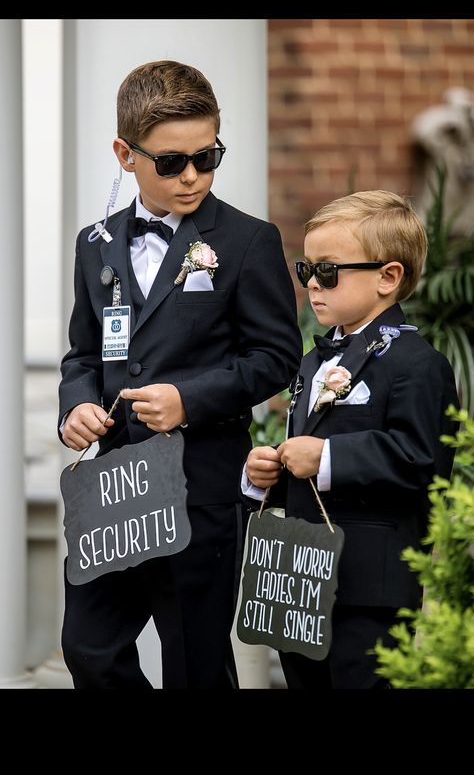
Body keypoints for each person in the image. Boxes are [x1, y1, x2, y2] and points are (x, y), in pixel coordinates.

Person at [58, 60, 302, 688]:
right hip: (114, 486)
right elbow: (83, 355)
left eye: (208, 156)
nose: (193, 175)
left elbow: (277, 358)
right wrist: (76, 406)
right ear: (125, 153)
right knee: (90, 647)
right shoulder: (95, 243)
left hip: (201, 488)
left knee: (195, 664)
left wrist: (188, 400)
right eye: (171, 162)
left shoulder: (249, 241)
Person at [244, 190, 459, 689]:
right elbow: (308, 465)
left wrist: (327, 455)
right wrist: (268, 476)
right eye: (307, 271)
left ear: (388, 277)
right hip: (301, 579)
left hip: (371, 585)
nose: (313, 286)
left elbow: (423, 461)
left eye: (328, 271)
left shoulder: (417, 365)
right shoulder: (313, 362)